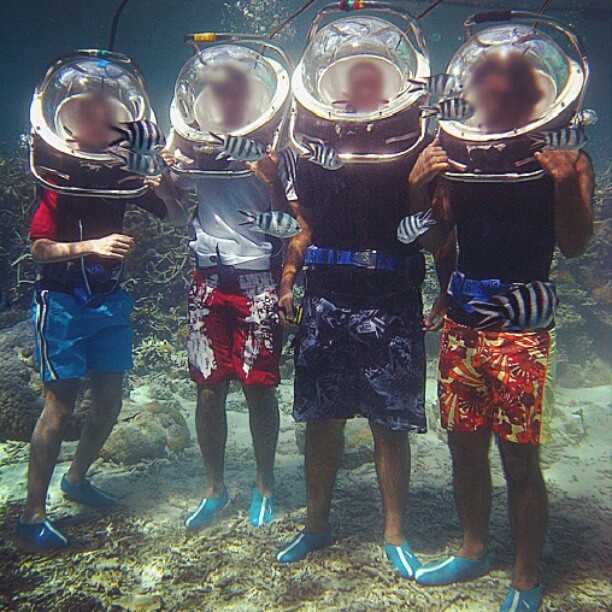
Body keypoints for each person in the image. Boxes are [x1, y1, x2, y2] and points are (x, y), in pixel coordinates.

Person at [412, 52, 595, 612]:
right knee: (463, 447)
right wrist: (418, 190)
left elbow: (575, 244)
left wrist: (563, 184)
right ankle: (472, 548)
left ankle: (525, 574)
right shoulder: (456, 149)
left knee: (520, 456)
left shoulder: (568, 156)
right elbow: (435, 241)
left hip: (524, 327)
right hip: (464, 324)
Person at [274, 60, 445, 577]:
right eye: (354, 82)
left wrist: (443, 288)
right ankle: (316, 523)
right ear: (335, 87)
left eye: (374, 82)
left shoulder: (418, 142)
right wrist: (286, 279)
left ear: (393, 89)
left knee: (389, 423)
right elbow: (302, 226)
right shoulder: (308, 143)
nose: (363, 91)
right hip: (324, 297)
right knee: (321, 421)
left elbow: (436, 232)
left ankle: (395, 533)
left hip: (392, 297)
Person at [16, 94, 186, 551]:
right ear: (72, 128)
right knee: (60, 406)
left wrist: (163, 175)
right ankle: (32, 516)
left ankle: (76, 479)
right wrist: (93, 246)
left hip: (110, 300)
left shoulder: (122, 174)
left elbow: (173, 214)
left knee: (110, 400)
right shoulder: (56, 179)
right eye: (94, 120)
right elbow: (39, 249)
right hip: (63, 301)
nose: (106, 127)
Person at [166, 65, 289, 530]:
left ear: (255, 99)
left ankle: (264, 485)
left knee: (259, 388)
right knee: (208, 389)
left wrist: (273, 176)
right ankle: (214, 488)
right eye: (221, 96)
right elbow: (174, 202)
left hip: (257, 281)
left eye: (237, 95)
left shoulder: (275, 141)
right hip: (207, 281)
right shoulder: (197, 139)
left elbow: (291, 218)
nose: (228, 104)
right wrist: (167, 163)